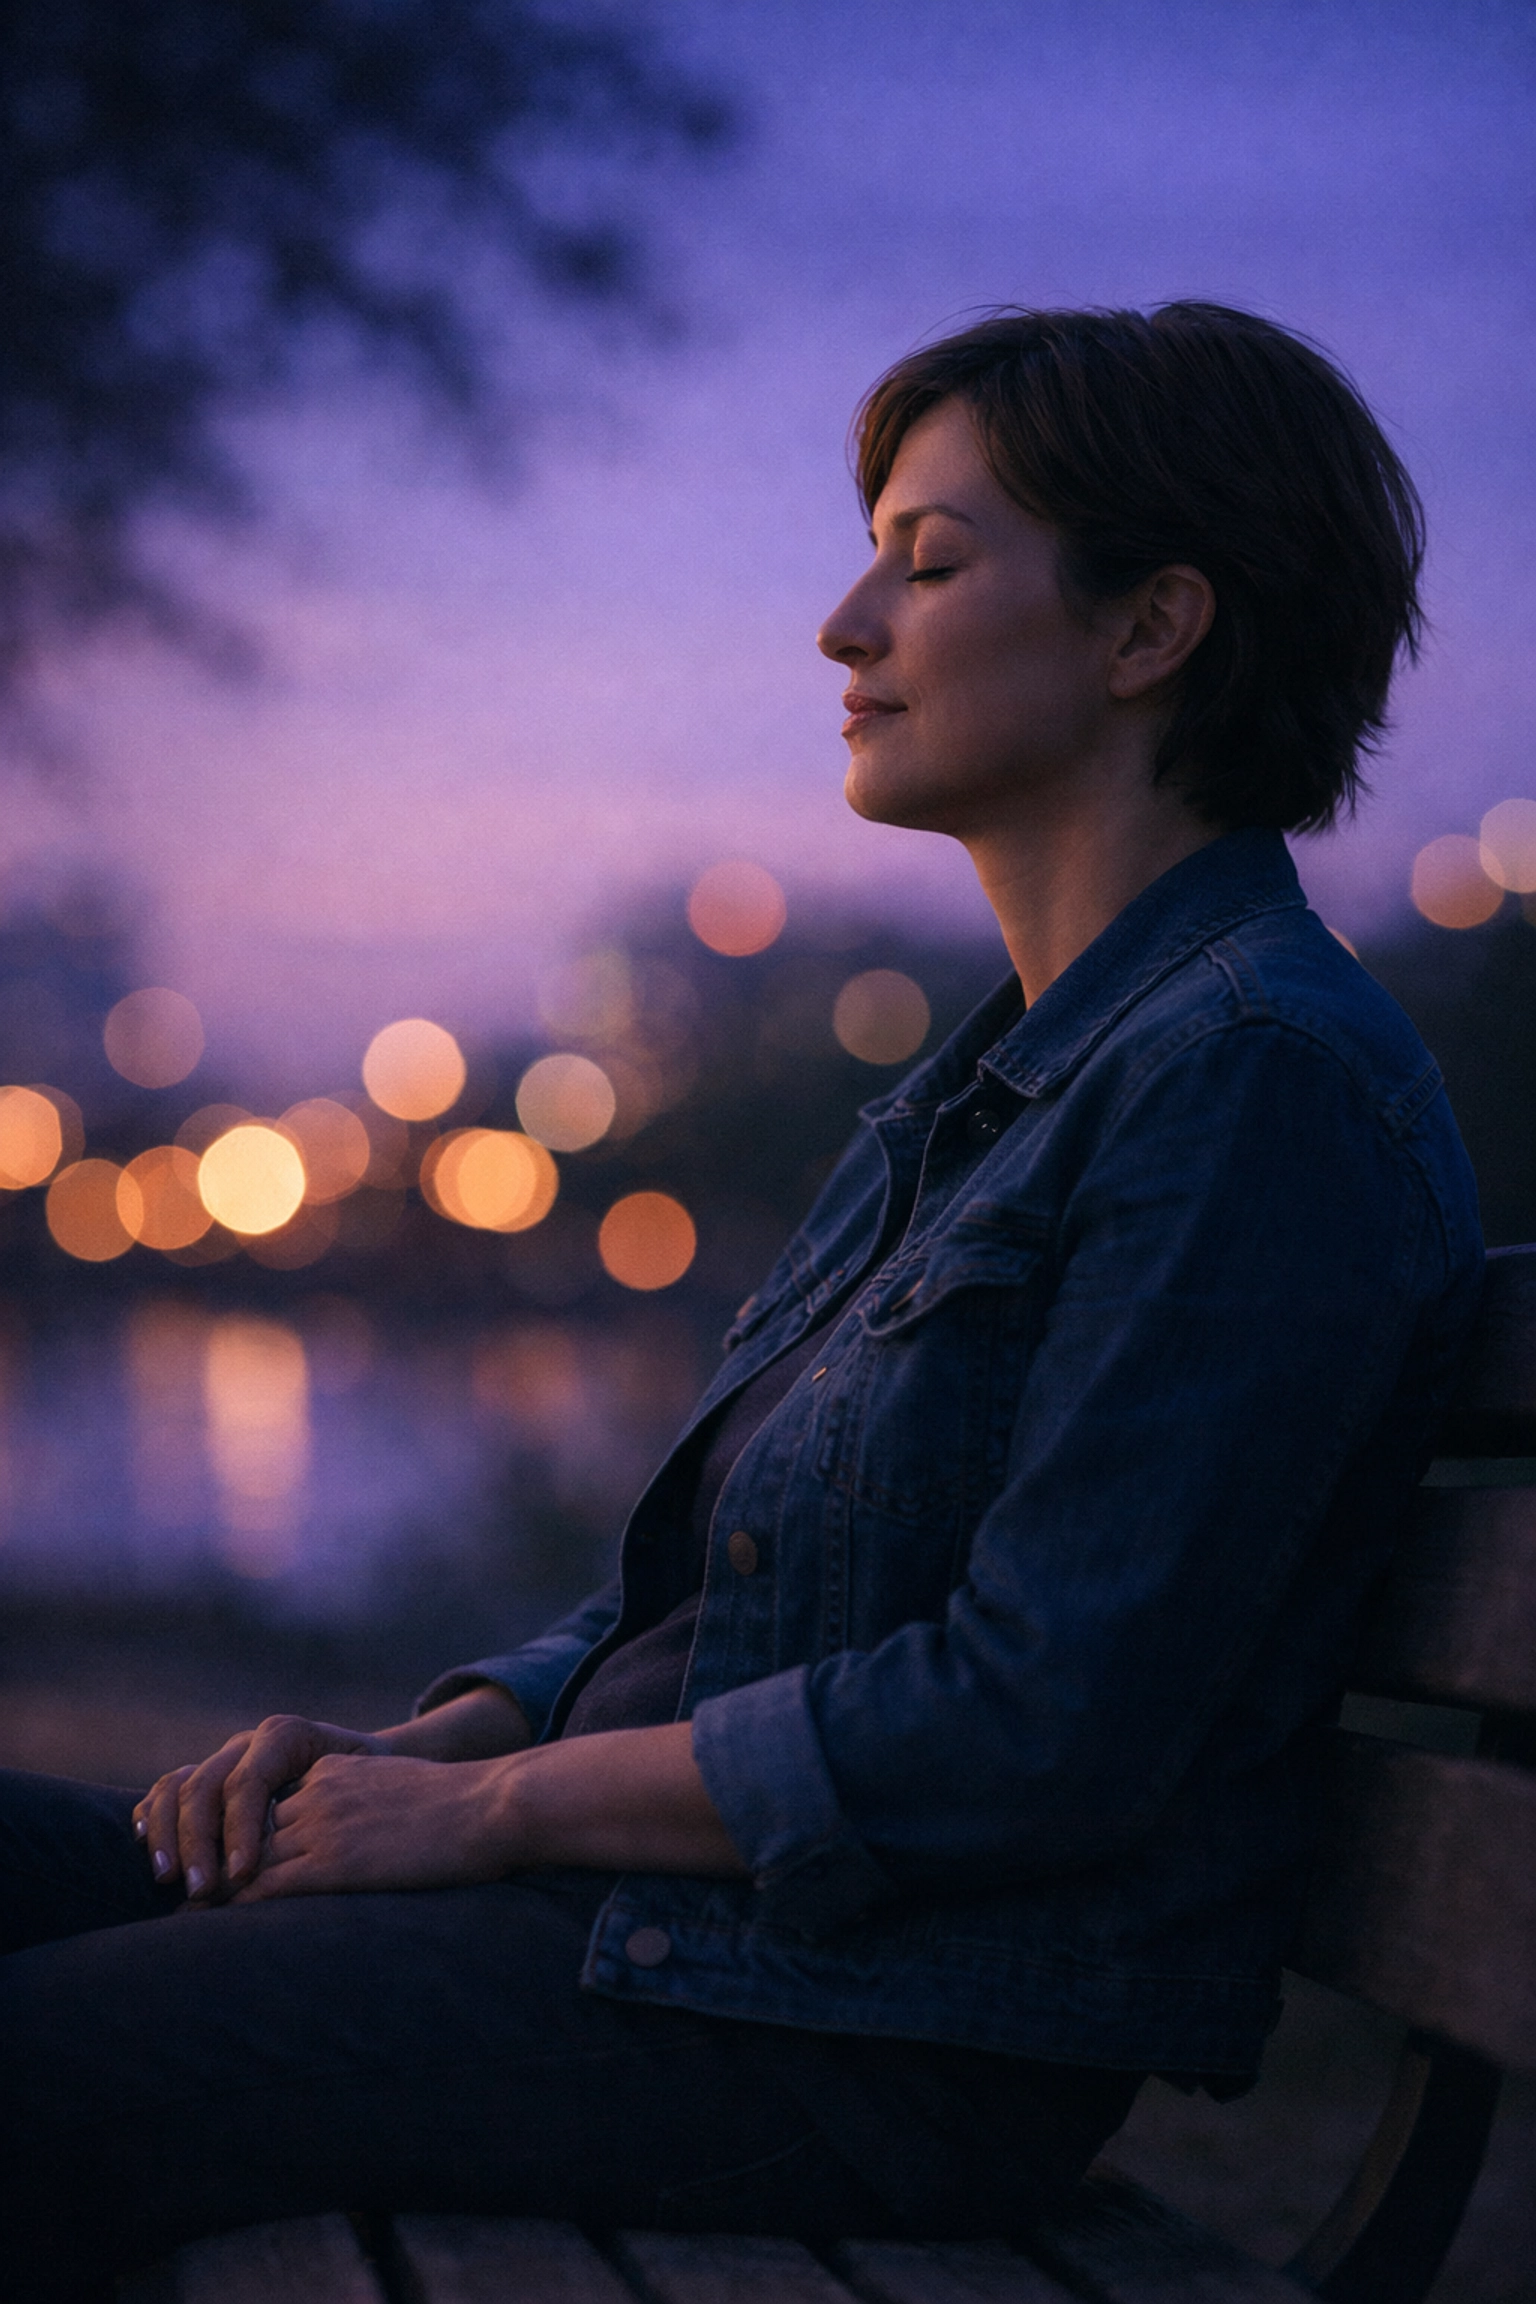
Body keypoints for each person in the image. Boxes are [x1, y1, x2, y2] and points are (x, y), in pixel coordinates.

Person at [0, 304, 1482, 2300]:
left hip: (859, 2035)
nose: (845, 623)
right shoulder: (989, 1089)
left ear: (1153, 632)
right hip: (671, 1930)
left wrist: (501, 1818)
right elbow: (695, 1607)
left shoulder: (1252, 1083)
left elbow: (1039, 1725)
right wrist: (436, 1748)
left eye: (931, 562)